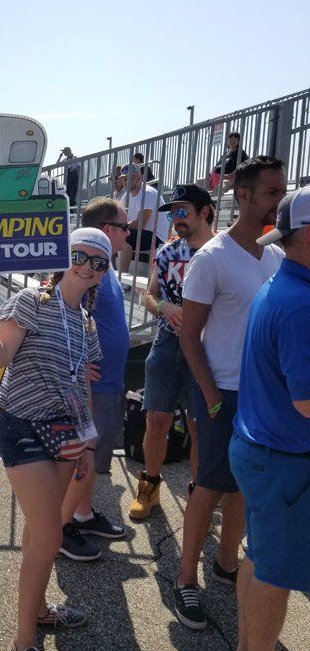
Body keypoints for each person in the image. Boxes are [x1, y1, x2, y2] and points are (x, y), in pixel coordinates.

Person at [0, 227, 110, 651]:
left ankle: (41, 609)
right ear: (64, 256)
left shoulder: (86, 324)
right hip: (23, 425)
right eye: (80, 256)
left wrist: (87, 443)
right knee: (49, 533)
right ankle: (23, 642)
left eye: (98, 262)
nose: (86, 267)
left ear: (103, 273)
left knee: (40, 532)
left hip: (65, 433)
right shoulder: (31, 302)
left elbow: (82, 385)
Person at [176, 156, 286, 630]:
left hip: (263, 396)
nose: (278, 201)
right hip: (223, 391)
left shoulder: (276, 255)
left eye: (282, 192)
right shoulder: (211, 258)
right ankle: (185, 580)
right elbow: (189, 335)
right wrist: (212, 397)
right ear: (242, 196)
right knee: (210, 486)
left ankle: (225, 564)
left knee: (243, 486)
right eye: (271, 193)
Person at [228, 186, 310, 651]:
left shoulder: (283, 284)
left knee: (260, 557)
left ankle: (250, 650)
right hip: (283, 459)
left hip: (261, 449)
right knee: (273, 570)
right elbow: (306, 402)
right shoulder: (301, 303)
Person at [129, 185, 214, 520]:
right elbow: (148, 295)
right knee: (156, 420)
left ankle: (199, 496)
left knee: (199, 426)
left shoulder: (222, 253)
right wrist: (163, 306)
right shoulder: (168, 252)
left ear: (204, 212)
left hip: (207, 349)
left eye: (182, 212)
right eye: (173, 213)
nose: (176, 219)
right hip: (166, 344)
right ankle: (149, 488)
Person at [59, 198, 129, 560]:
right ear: (106, 229)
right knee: (81, 459)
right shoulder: (82, 269)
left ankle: (83, 514)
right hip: (93, 385)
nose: (128, 234)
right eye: (124, 227)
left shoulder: (104, 267)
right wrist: (75, 363)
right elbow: (60, 315)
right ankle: (61, 529)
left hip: (107, 382)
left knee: (92, 457)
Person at [119, 164, 169, 272]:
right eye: (124, 178)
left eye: (130, 177)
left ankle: (122, 275)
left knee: (125, 236)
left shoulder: (147, 193)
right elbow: (118, 216)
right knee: (110, 234)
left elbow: (140, 225)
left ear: (139, 177)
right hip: (144, 234)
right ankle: (112, 272)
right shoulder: (126, 195)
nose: (126, 181)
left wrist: (120, 226)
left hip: (157, 237)